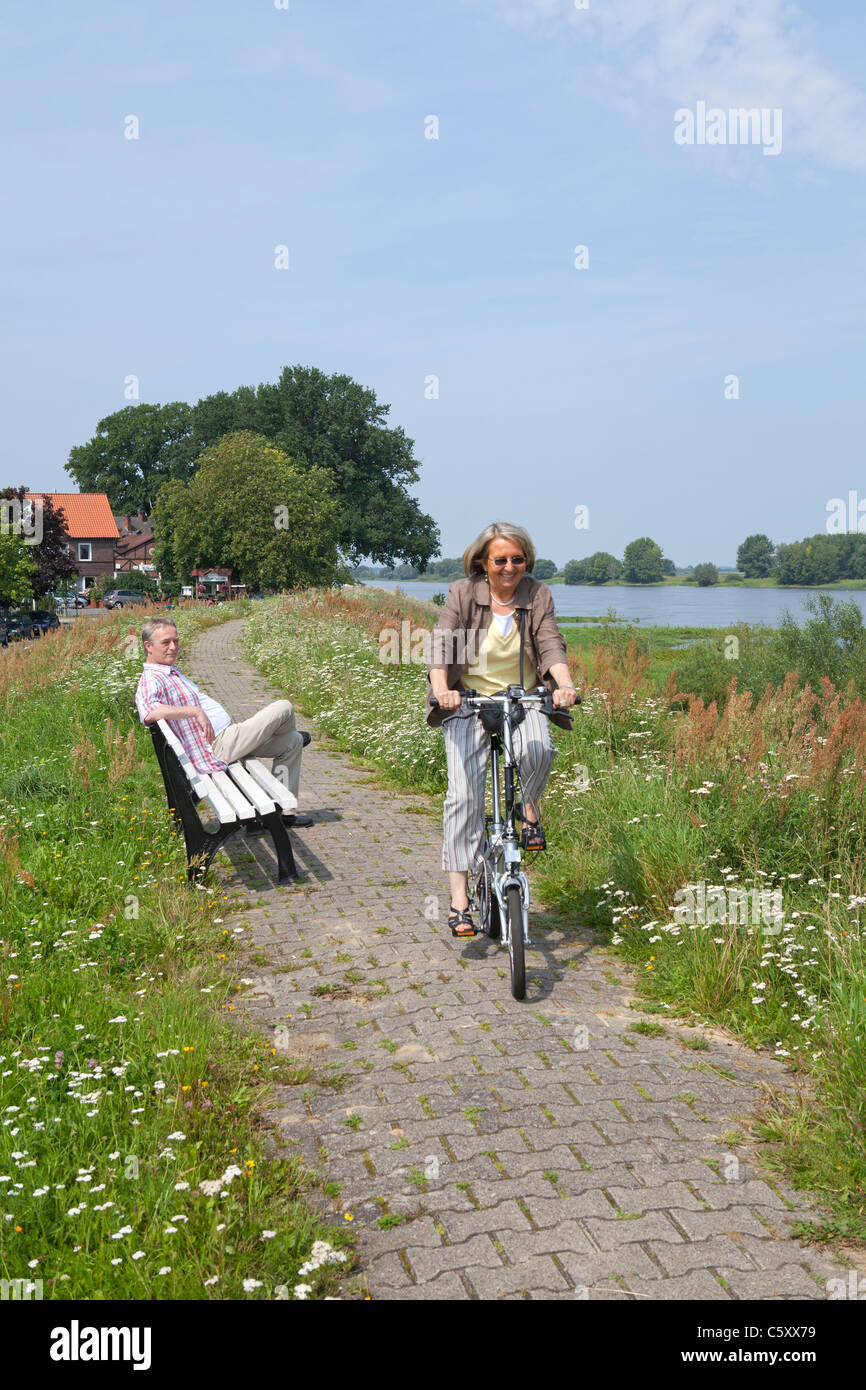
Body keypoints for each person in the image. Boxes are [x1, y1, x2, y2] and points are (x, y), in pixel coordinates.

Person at [426, 523, 578, 937]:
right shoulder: (463, 593)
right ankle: (459, 901)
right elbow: (443, 643)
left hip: (521, 698)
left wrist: (563, 685)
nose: (509, 567)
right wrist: (442, 691)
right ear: (483, 563)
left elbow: (550, 645)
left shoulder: (538, 594)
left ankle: (525, 806)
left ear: (526, 561)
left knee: (540, 751)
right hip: (468, 701)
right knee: (464, 798)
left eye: (517, 559)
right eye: (500, 560)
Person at [135, 617, 314, 826]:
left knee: (292, 742)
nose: (173, 647)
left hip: (228, 738)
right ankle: (278, 732)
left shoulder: (169, 671)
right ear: (148, 646)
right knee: (284, 707)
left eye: (176, 641)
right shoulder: (152, 679)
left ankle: (282, 814)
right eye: (166, 642)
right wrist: (195, 711)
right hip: (218, 745)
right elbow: (148, 711)